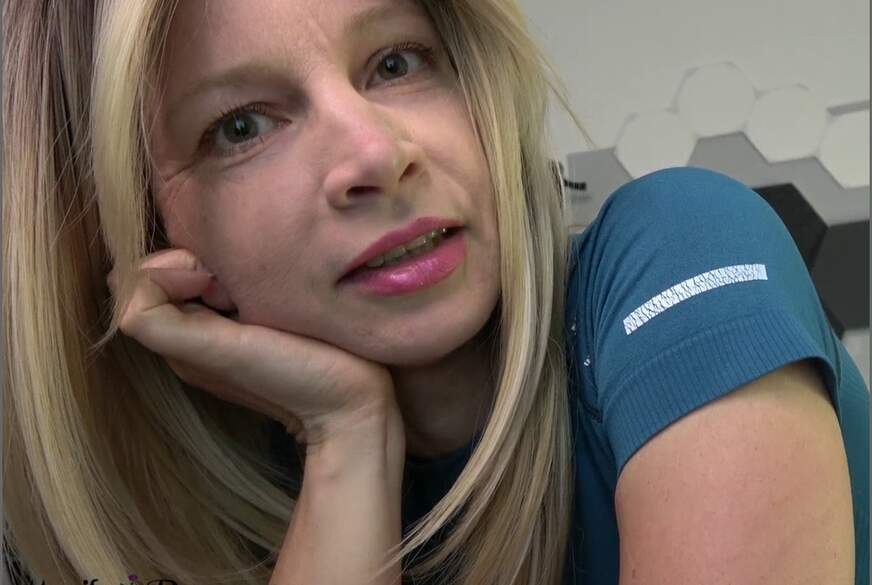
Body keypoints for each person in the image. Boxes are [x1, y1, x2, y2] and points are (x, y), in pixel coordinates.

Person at [3, 1, 867, 584]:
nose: (378, 154)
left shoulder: (678, 247)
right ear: (147, 235)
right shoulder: (218, 492)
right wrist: (345, 435)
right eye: (242, 126)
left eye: (394, 62)